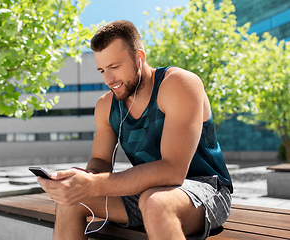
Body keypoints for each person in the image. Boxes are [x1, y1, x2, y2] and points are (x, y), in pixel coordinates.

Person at [37, 20, 233, 240]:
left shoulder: (179, 84)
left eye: (114, 67)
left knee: (156, 202)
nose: (108, 79)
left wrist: (94, 184)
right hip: (146, 192)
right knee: (71, 200)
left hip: (207, 190)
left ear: (139, 58)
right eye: (102, 70)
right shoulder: (105, 106)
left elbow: (173, 171)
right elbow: (100, 161)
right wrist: (81, 181)